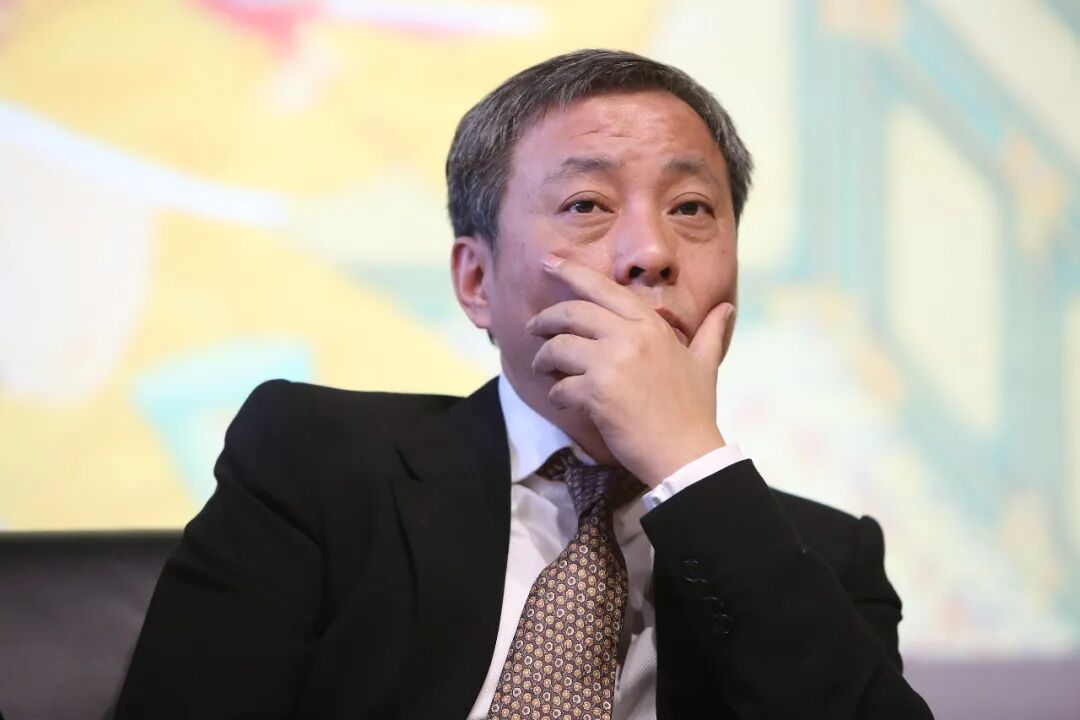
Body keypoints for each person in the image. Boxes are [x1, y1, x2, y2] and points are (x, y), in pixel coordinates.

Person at [114, 49, 933, 719]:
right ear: (477, 281)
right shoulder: (317, 467)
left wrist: (688, 465)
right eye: (586, 204)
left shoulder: (827, 560)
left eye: (691, 208)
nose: (651, 253)